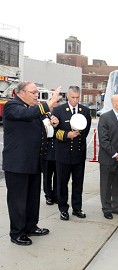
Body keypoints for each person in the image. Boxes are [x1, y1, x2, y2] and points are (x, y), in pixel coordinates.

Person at [2, 81, 61, 246]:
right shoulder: (12, 106)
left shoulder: (35, 110)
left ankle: (30, 226)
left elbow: (44, 123)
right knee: (18, 201)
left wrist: (52, 122)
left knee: (32, 198)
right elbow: (26, 115)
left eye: (37, 92)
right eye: (33, 92)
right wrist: (48, 103)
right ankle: (17, 233)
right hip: (18, 164)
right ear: (21, 93)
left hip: (34, 162)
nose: (37, 95)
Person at [53, 86, 91, 221]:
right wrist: (67, 135)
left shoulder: (85, 111)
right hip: (63, 153)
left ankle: (77, 208)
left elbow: (86, 131)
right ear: (67, 97)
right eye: (72, 97)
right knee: (62, 183)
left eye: (77, 97)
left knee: (78, 182)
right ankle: (63, 209)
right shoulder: (59, 111)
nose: (75, 100)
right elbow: (53, 132)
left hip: (78, 153)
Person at [42, 97, 60, 205]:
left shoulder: (60, 115)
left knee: (58, 175)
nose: (56, 104)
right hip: (47, 148)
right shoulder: (43, 115)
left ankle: (56, 195)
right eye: (55, 102)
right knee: (47, 175)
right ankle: (48, 195)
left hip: (58, 148)